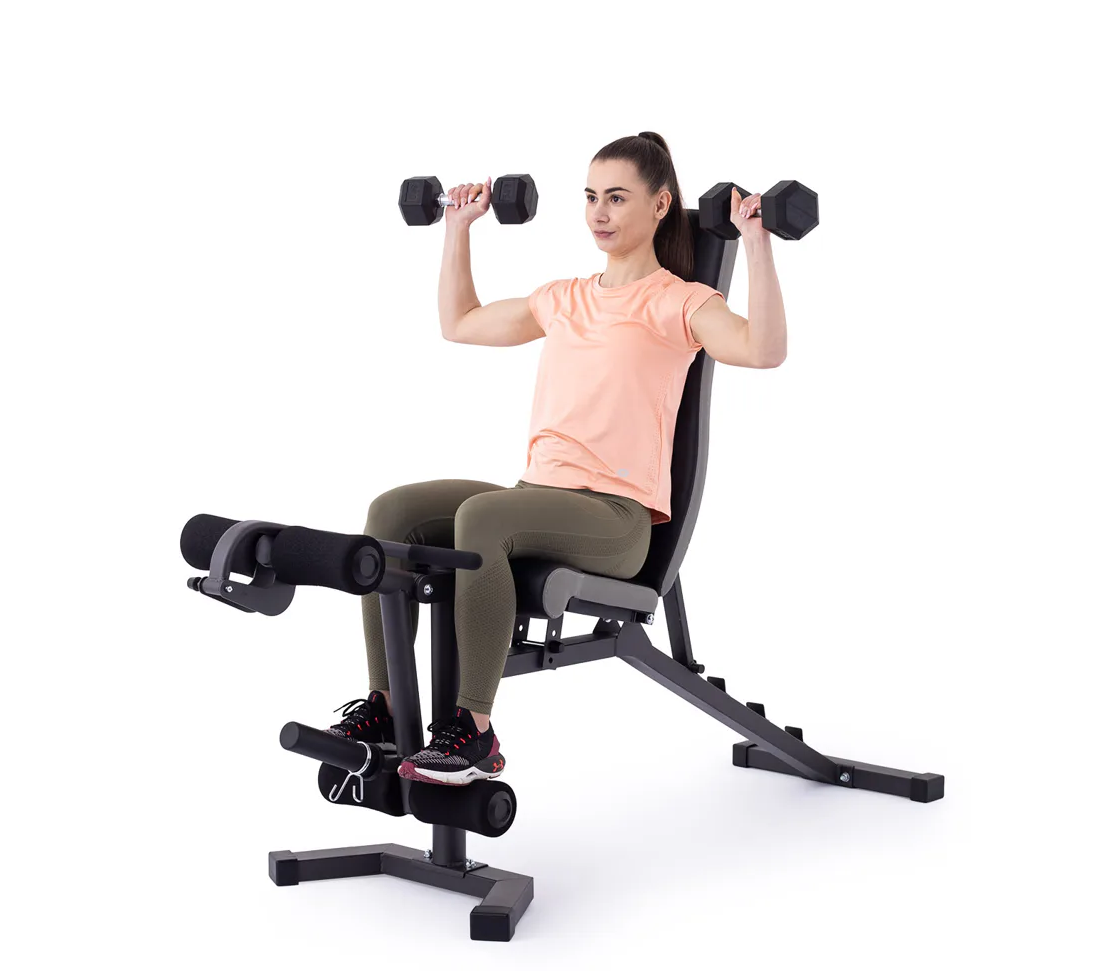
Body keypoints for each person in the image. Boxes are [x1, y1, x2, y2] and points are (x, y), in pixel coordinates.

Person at [326, 132, 790, 785]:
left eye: (618, 198)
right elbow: (459, 323)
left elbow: (763, 350)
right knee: (393, 511)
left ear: (660, 206)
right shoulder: (562, 297)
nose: (600, 213)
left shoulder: (679, 301)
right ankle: (387, 707)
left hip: (616, 520)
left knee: (483, 517)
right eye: (591, 197)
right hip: (534, 499)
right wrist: (457, 227)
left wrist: (757, 243)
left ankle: (474, 731)